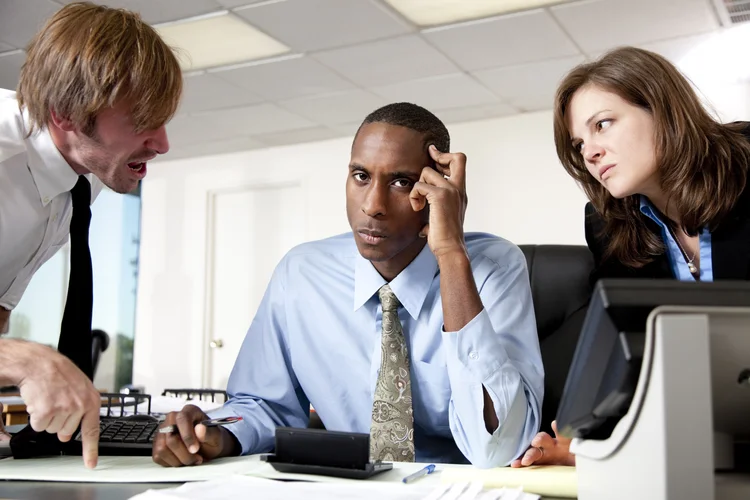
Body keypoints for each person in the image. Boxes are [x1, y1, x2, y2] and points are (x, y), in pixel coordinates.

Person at [153, 102, 544, 468]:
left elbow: (499, 448)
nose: (372, 204)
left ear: (437, 190)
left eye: (400, 182)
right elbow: (266, 405)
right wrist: (216, 435)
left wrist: (451, 253)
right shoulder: (301, 274)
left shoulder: (493, 269)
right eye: (361, 176)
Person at [511, 46, 750, 468]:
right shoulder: (608, 225)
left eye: (603, 124)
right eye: (580, 142)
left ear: (662, 108)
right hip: (709, 439)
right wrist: (595, 446)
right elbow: (637, 361)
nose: (590, 152)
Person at [0, 2, 182, 468]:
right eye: (142, 120)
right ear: (66, 114)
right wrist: (27, 361)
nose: (162, 143)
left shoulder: (83, 180)